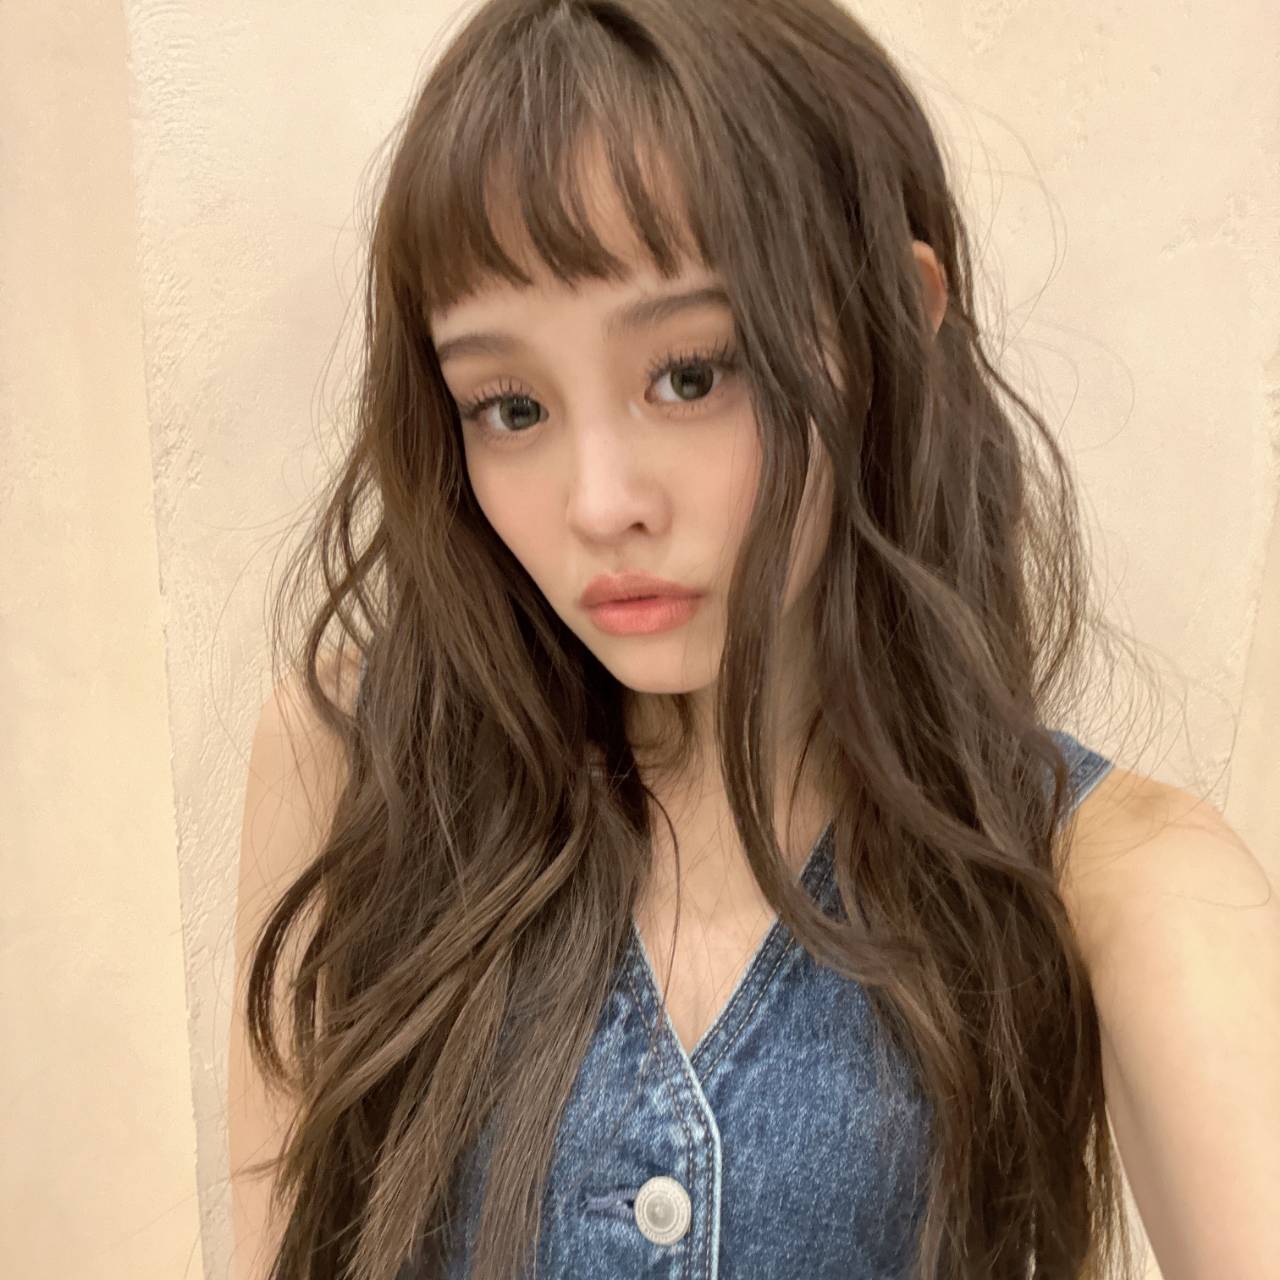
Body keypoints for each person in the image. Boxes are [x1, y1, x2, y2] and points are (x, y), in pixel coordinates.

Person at [227, 2, 1280, 1278]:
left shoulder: (1102, 875)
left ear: (892, 324)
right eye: (508, 404)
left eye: (691, 374)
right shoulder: (356, 765)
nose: (598, 502)